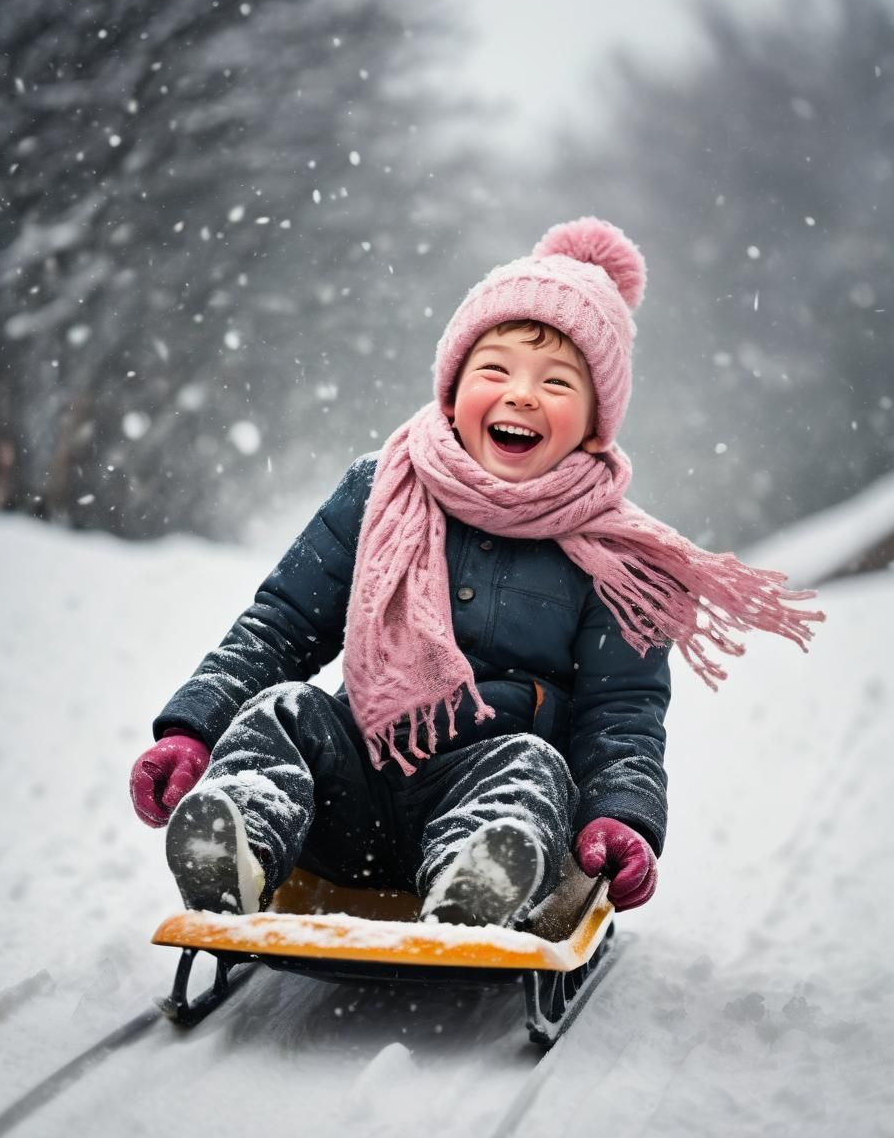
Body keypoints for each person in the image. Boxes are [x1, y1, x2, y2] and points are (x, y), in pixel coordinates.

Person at [130, 217, 824, 928]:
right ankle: (237, 842)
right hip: (353, 791)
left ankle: (481, 877)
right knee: (284, 712)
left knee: (530, 763)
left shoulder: (622, 562)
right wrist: (193, 728)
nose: (521, 395)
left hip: (492, 791)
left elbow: (623, 715)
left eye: (556, 382)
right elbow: (280, 627)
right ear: (453, 389)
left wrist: (623, 815)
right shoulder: (380, 492)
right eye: (495, 371)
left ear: (593, 425)